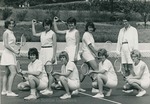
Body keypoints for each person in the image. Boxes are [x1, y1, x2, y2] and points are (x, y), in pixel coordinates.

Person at [53, 16, 85, 92]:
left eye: (72, 23)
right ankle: (69, 84)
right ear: (67, 24)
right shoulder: (67, 31)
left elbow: (77, 44)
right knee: (67, 68)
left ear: (75, 24)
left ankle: (77, 86)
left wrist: (75, 54)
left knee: (74, 69)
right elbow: (57, 30)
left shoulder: (76, 32)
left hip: (74, 50)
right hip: (67, 50)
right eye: (69, 23)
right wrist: (54, 21)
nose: (71, 25)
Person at [32, 18, 57, 95]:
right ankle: (47, 87)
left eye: (48, 25)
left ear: (50, 25)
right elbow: (34, 34)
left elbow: (55, 45)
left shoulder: (53, 33)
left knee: (49, 72)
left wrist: (53, 56)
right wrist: (33, 24)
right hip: (42, 52)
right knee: (45, 72)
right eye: (45, 25)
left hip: (49, 51)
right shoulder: (42, 33)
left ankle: (49, 89)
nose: (46, 26)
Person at [0, 19, 19, 97]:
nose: (11, 25)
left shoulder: (11, 32)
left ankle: (4, 90)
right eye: (10, 24)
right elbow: (6, 45)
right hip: (8, 54)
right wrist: (15, 51)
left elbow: (10, 43)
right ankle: (9, 91)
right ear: (7, 25)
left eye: (13, 23)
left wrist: (15, 44)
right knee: (13, 72)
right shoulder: (6, 32)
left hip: (10, 53)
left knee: (7, 73)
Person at [81, 21, 99, 93]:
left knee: (85, 71)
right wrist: (96, 53)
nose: (90, 29)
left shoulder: (90, 35)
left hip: (89, 54)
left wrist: (95, 53)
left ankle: (76, 86)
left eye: (92, 27)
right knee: (96, 68)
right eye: (89, 27)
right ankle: (94, 87)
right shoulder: (86, 34)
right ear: (87, 28)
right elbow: (90, 46)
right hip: (87, 54)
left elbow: (92, 46)